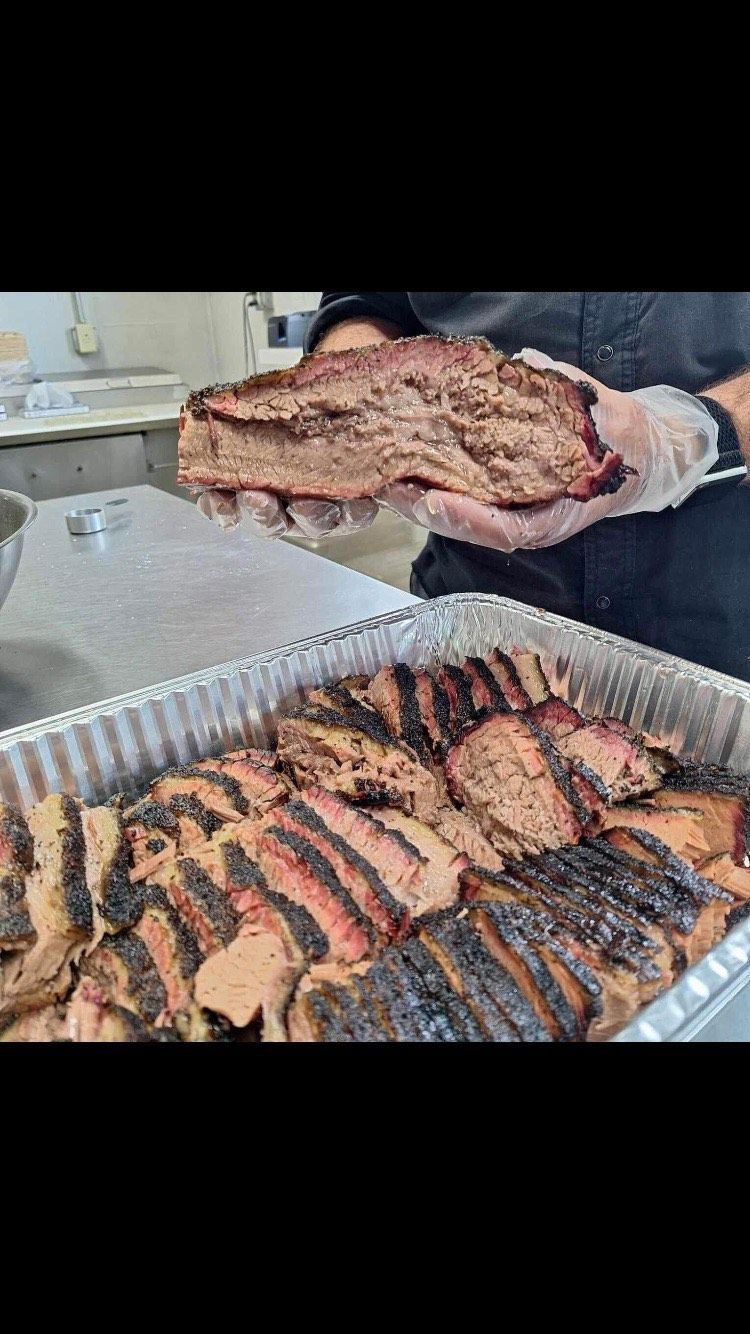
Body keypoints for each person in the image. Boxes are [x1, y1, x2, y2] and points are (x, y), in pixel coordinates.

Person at [199, 293, 750, 681]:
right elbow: (369, 302)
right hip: (466, 648)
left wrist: (684, 438)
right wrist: (349, 390)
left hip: (716, 643)